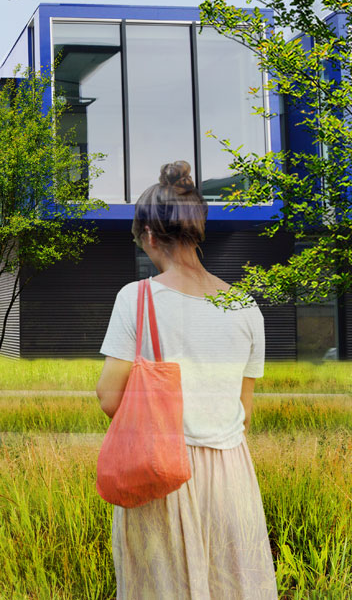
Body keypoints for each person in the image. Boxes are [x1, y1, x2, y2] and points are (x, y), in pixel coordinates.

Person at [95, 161, 276, 598]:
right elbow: (243, 411)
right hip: (233, 477)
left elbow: (108, 397)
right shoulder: (245, 308)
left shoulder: (136, 298)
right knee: (233, 586)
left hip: (162, 471)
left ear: (150, 237)